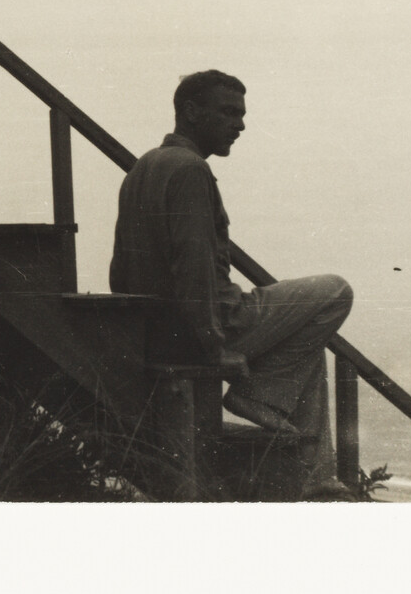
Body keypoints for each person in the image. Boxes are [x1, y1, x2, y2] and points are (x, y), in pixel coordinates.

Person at [110, 69, 353, 496]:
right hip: (208, 324)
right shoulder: (190, 171)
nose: (239, 124)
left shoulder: (145, 166)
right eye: (227, 112)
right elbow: (195, 270)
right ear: (190, 112)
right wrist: (212, 346)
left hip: (155, 329)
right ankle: (258, 398)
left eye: (241, 115)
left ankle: (317, 482)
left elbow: (120, 270)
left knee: (306, 351)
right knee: (335, 292)